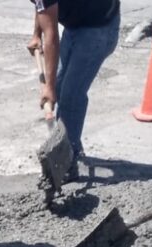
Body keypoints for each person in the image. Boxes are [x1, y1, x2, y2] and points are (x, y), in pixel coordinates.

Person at [27, 0, 120, 181]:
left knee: (71, 94)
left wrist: (49, 87)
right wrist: (36, 34)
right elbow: (41, 6)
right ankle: (66, 149)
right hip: (78, 24)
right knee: (62, 88)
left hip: (99, 27)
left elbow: (52, 37)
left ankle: (69, 160)